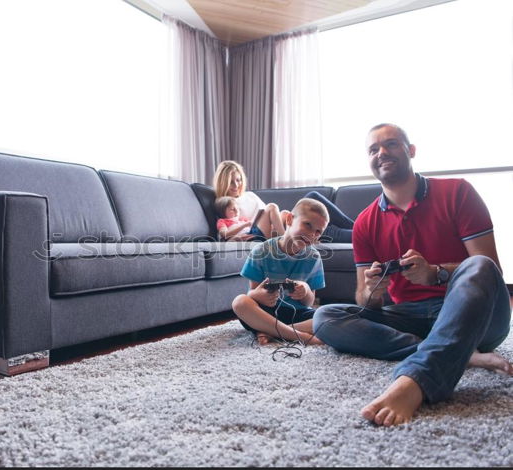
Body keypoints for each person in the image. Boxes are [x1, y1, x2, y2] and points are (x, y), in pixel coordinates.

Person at [312, 123, 512, 427]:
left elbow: (490, 269)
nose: (381, 153)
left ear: (411, 151)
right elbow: (365, 301)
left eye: (391, 144)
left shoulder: (457, 192)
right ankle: (460, 353)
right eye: (373, 149)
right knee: (325, 317)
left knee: (479, 265)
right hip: (410, 314)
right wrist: (373, 291)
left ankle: (416, 380)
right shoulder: (365, 222)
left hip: (475, 317)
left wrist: (436, 274)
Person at [232, 198, 330, 346]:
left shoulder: (314, 257)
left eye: (318, 232)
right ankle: (300, 336)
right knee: (240, 302)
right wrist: (259, 295)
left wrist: (306, 291)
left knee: (329, 315)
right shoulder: (261, 251)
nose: (312, 234)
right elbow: (252, 293)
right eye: (308, 225)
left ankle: (274, 332)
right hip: (266, 313)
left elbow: (310, 302)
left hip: (297, 314)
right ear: (290, 219)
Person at [212, 159, 354, 243]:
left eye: (238, 180)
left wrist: (282, 217)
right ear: (223, 183)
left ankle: (358, 228)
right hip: (262, 233)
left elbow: (268, 215)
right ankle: (363, 231)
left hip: (275, 226)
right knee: (317, 223)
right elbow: (225, 233)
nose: (236, 185)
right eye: (231, 182)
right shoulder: (224, 203)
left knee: (314, 200)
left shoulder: (250, 195)